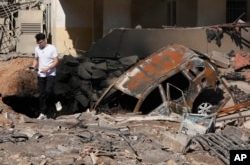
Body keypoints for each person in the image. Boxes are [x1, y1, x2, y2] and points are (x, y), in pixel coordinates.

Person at [30, 33, 60, 119]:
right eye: (38, 43)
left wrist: (48, 68)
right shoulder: (37, 49)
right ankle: (43, 113)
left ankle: (56, 101)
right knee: (42, 94)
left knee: (48, 91)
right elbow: (36, 59)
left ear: (45, 40)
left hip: (51, 73)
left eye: (41, 42)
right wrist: (33, 66)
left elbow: (56, 61)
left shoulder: (52, 48)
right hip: (41, 74)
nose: (40, 44)